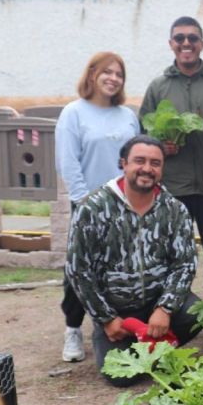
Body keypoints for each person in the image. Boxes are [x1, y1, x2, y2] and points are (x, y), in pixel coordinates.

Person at [65, 136, 201, 384]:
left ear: (162, 169)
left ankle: (157, 342)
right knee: (120, 377)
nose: (147, 169)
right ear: (123, 163)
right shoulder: (93, 208)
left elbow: (185, 264)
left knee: (196, 312)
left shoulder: (174, 210)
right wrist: (106, 318)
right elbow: (78, 270)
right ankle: (138, 343)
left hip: (156, 305)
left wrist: (165, 308)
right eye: (139, 161)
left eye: (155, 163)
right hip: (117, 312)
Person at [55, 52, 141, 363]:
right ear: (92, 74)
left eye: (119, 74)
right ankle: (72, 328)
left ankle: (117, 325)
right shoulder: (73, 113)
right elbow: (68, 162)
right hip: (89, 205)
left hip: (126, 204)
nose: (113, 78)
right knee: (80, 268)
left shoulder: (127, 115)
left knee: (122, 267)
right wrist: (85, 202)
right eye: (107, 72)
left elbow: (137, 158)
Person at [140, 16, 203, 284]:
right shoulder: (158, 87)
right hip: (173, 187)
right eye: (179, 38)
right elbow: (143, 134)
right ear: (171, 43)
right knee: (172, 254)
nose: (186, 43)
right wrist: (160, 147)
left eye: (192, 38)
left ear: (202, 44)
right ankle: (174, 305)